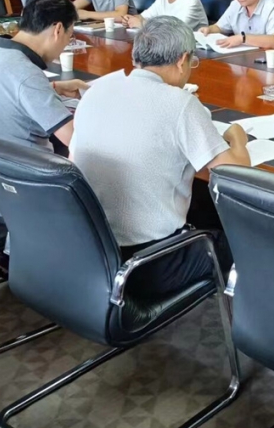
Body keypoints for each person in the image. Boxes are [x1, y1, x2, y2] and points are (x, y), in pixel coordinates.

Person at [70, 16, 250, 298]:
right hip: (148, 264)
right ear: (182, 60)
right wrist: (239, 138)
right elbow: (236, 175)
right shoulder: (180, 104)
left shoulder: (96, 91)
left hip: (90, 252)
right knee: (246, 244)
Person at [0, 0, 89, 276]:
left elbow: (9, 92)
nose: (66, 43)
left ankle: (15, 251)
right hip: (21, 196)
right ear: (57, 30)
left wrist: (52, 88)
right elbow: (75, 139)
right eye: (70, 35)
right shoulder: (25, 73)